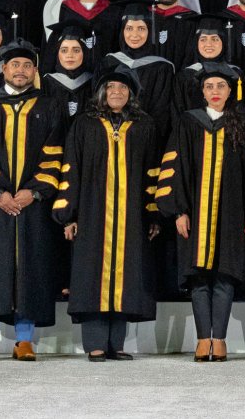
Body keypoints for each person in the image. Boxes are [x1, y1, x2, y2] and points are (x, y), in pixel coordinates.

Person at [156, 66, 245, 362]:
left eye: (221, 85)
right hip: (194, 213)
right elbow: (175, 168)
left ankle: (219, 339)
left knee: (225, 276)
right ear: (202, 91)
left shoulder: (242, 124)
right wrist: (178, 211)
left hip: (231, 214)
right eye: (209, 86)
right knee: (199, 278)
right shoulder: (188, 122)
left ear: (231, 91)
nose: (215, 91)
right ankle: (202, 339)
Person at [52, 69, 162, 362]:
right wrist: (68, 214)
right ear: (101, 93)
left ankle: (116, 343)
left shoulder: (144, 125)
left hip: (132, 215)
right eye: (111, 87)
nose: (116, 92)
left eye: (123, 88)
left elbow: (153, 172)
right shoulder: (84, 124)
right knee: (92, 275)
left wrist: (153, 215)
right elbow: (71, 168)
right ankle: (95, 344)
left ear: (131, 94)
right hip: (92, 214)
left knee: (126, 276)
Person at [0, 42, 63, 362]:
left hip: (33, 204)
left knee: (30, 267)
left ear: (35, 71)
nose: (20, 70)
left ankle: (24, 339)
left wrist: (34, 191)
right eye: (15, 65)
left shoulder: (49, 106)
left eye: (27, 65)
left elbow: (54, 153)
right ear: (4, 69)